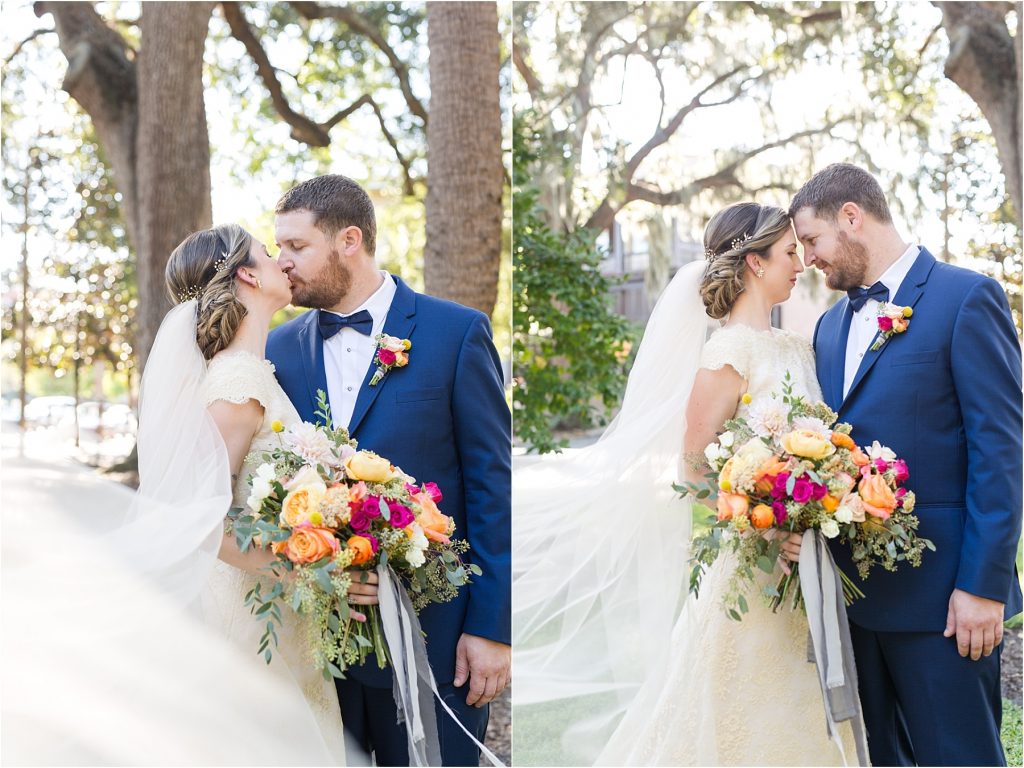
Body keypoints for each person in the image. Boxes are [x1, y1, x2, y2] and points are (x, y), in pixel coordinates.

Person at [3, 223, 379, 764]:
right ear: (247, 274)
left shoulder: (250, 374)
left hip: (272, 608)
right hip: (254, 614)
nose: (283, 262)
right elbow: (205, 522)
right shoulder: (236, 386)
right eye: (271, 253)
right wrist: (307, 572)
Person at [513, 202, 863, 766]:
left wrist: (822, 502)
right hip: (755, 569)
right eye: (789, 252)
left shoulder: (797, 347)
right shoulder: (727, 351)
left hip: (811, 559)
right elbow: (696, 468)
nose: (800, 263)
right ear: (754, 262)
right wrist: (766, 527)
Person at [266, 175, 512, 767]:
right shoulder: (275, 351)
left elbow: (492, 488)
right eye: (279, 248)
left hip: (438, 642)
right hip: (321, 643)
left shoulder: (457, 333)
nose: (282, 263)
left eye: (296, 247)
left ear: (349, 240)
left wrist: (492, 629)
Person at [792, 163, 1023, 767]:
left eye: (812, 240)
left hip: (945, 604)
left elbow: (1001, 453)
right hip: (850, 603)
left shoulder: (966, 297)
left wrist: (982, 586)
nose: (809, 258)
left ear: (851, 217)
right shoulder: (827, 327)